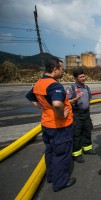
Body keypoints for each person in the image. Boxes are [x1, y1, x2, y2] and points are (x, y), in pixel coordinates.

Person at [25, 57, 76, 192]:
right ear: (55, 69)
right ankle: (60, 183)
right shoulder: (55, 85)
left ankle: (52, 176)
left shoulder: (39, 83)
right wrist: (61, 115)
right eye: (62, 69)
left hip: (46, 125)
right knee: (61, 154)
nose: (63, 72)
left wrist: (43, 108)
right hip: (59, 127)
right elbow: (57, 104)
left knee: (50, 151)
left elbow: (30, 97)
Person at [67, 67, 96, 163]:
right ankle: (77, 154)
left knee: (87, 131)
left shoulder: (87, 88)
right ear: (76, 78)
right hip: (77, 114)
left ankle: (87, 149)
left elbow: (89, 101)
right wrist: (76, 99)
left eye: (84, 76)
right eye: (81, 77)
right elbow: (66, 102)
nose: (83, 78)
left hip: (86, 114)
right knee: (77, 134)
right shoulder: (71, 89)